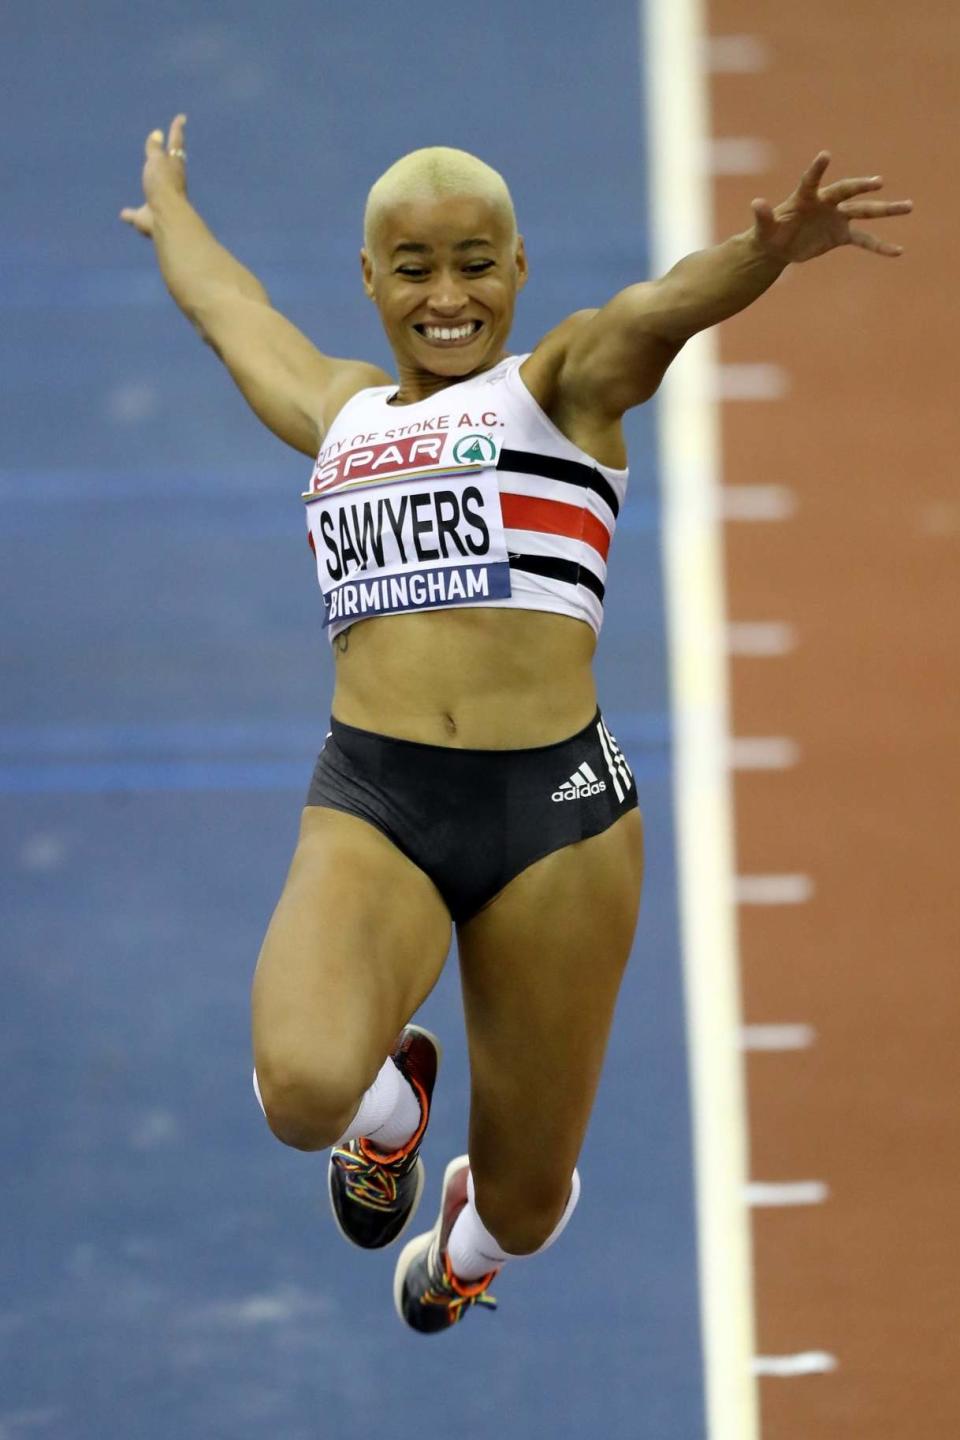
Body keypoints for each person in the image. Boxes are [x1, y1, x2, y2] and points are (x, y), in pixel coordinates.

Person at [121, 116, 911, 1333]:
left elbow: (657, 312)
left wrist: (764, 256)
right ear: (370, 280)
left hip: (558, 823)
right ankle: (387, 1111)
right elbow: (230, 308)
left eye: (477, 262)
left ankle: (470, 1242)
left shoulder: (561, 388)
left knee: (530, 1201)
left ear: (521, 267)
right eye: (416, 267)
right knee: (301, 1093)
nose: (449, 297)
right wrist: (171, 209)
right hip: (377, 801)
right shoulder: (341, 416)